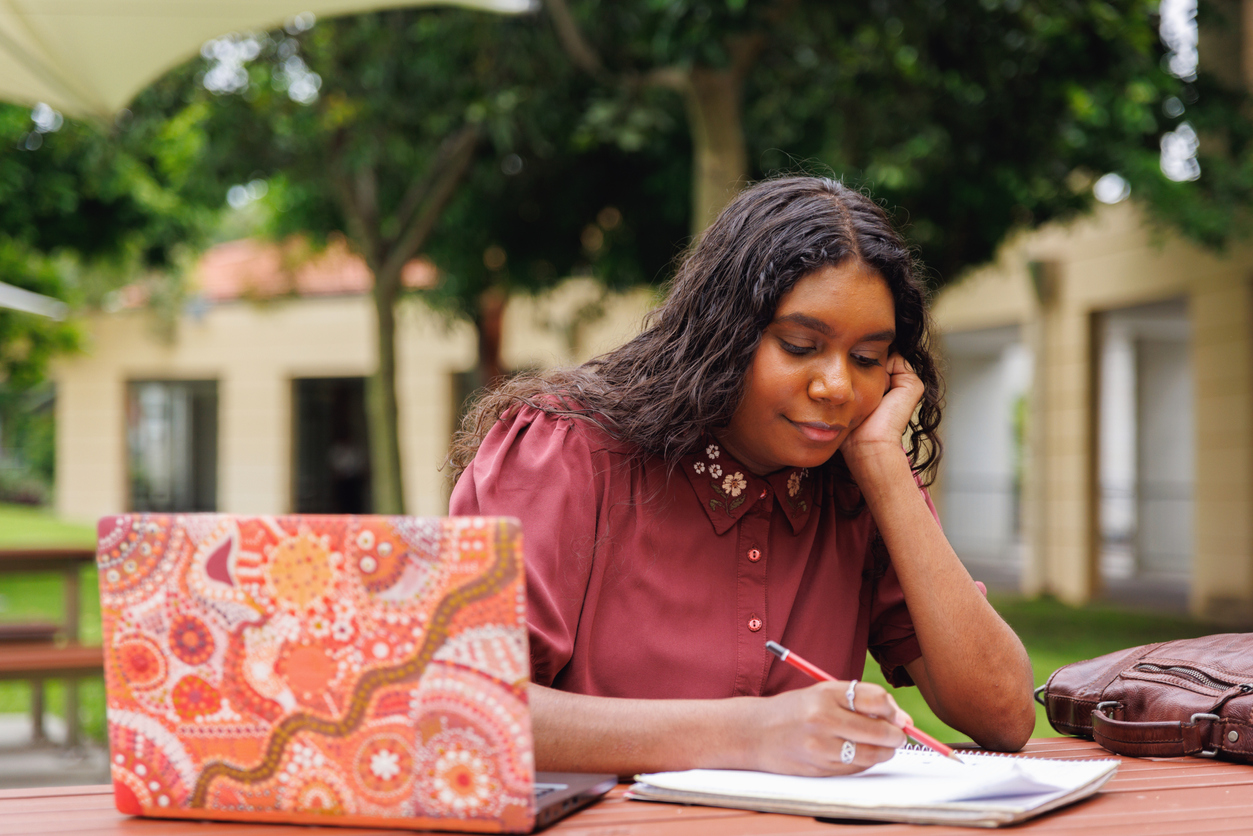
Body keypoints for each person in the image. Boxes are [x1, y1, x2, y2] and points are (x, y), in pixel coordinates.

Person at [446, 176, 1036, 777]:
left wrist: (886, 468)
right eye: (801, 345)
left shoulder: (857, 480)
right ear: (723, 336)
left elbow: (1004, 714)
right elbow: (464, 710)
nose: (836, 387)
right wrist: (747, 733)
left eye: (865, 360)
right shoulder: (565, 453)